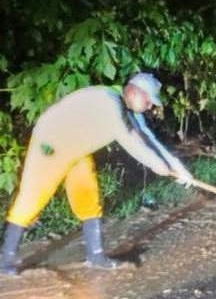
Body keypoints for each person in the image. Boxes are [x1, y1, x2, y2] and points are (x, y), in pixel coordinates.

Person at [0, 73, 194, 275]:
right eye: (148, 101)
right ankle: (5, 260)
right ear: (134, 92)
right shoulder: (109, 103)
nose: (150, 107)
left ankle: (96, 256)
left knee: (88, 196)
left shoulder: (125, 107)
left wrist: (177, 166)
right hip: (52, 144)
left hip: (76, 149)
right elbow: (131, 141)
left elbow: (147, 137)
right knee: (33, 198)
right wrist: (159, 167)